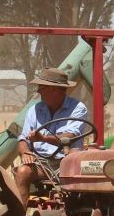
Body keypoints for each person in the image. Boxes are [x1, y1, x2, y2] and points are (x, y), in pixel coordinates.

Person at [15, 68, 87, 204]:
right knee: (23, 171)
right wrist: (25, 152)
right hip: (41, 164)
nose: (38, 91)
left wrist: (42, 138)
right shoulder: (34, 110)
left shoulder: (78, 108)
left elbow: (69, 138)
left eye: (41, 87)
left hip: (68, 164)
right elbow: (23, 138)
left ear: (54, 89)